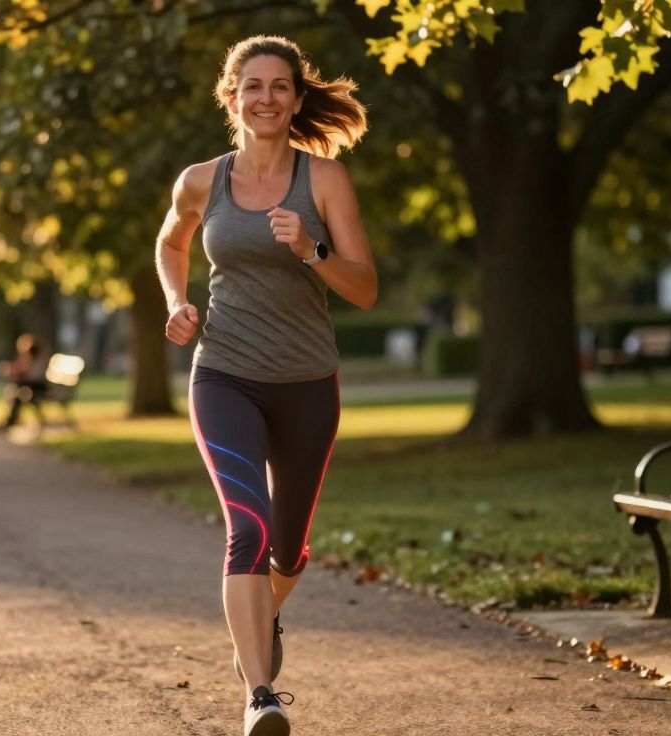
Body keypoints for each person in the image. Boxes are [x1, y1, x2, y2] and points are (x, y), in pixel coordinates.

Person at [155, 35, 376, 736]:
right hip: (224, 374)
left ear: (297, 98)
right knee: (245, 529)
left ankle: (260, 616)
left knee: (287, 550)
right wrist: (175, 301)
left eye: (280, 86)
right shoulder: (201, 180)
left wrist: (312, 251)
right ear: (233, 97)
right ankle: (261, 694)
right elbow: (171, 241)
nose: (267, 98)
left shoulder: (325, 182)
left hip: (308, 383)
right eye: (253, 86)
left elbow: (366, 288)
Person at [0, 334, 48, 432]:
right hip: (32, 386)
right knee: (18, 391)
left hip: (38, 387)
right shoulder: (35, 359)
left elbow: (29, 373)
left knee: (18, 390)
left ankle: (11, 420)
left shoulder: (37, 360)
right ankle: (12, 420)